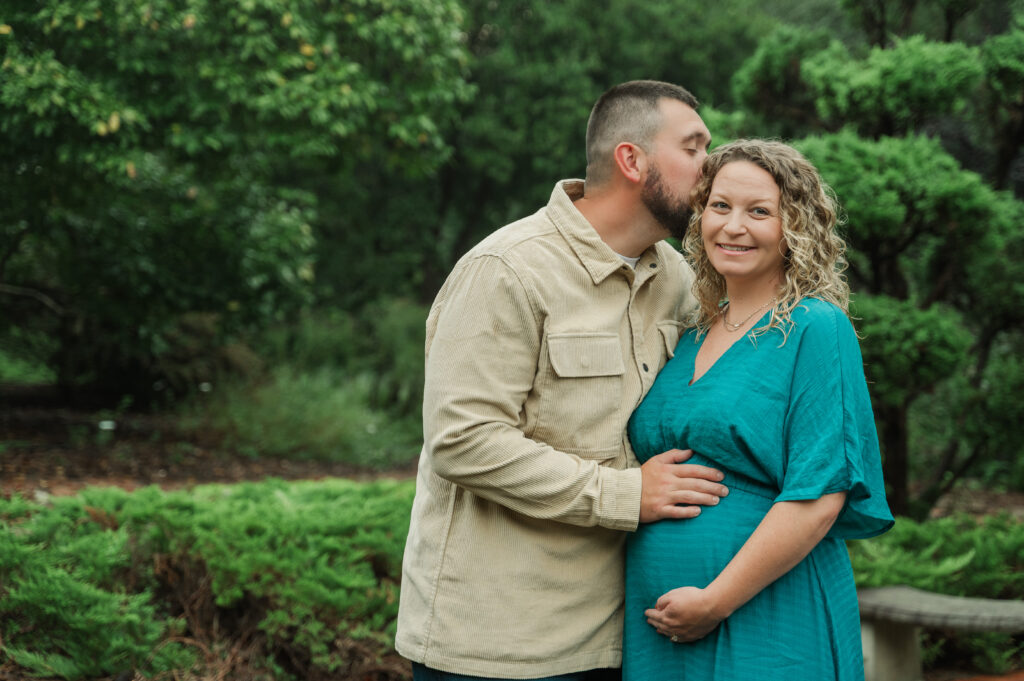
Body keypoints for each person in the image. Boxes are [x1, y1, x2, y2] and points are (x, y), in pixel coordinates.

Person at [396, 81, 731, 680]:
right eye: (693, 148)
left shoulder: (677, 279)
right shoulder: (507, 270)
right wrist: (626, 495)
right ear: (632, 160)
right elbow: (462, 440)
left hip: (624, 638)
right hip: (498, 648)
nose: (711, 167)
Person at [623, 139, 895, 681]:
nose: (733, 226)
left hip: (767, 615)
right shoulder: (692, 331)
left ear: (795, 228)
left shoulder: (815, 328)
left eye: (759, 212)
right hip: (659, 627)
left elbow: (819, 495)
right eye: (720, 206)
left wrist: (715, 601)